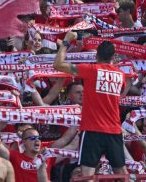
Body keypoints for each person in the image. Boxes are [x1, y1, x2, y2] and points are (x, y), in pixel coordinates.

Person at [53, 36, 124, 176]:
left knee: (87, 174)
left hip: (92, 130)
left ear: (96, 56)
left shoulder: (91, 69)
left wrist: (66, 41)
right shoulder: (120, 75)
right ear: (113, 56)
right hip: (114, 130)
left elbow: (58, 64)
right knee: (122, 173)